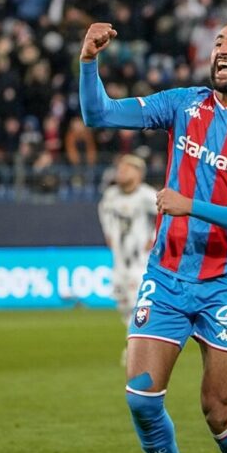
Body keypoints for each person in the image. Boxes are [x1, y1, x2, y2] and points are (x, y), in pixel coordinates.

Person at [80, 19, 227, 453]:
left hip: (226, 283)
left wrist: (190, 205)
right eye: (219, 42)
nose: (222, 49)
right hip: (168, 276)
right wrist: (88, 62)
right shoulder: (183, 104)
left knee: (218, 412)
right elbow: (100, 115)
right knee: (141, 398)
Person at [98, 154, 158, 363]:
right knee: (122, 303)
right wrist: (108, 231)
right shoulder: (111, 195)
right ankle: (137, 340)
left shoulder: (146, 195)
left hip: (139, 262)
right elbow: (104, 212)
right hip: (119, 262)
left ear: (138, 173)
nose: (120, 172)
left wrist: (154, 237)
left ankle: (135, 349)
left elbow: (165, 212)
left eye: (126, 168)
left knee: (136, 303)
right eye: (119, 168)